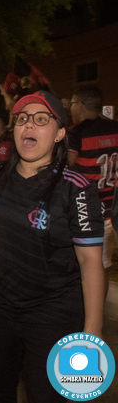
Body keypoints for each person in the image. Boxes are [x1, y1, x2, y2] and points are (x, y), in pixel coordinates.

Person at [0, 91, 105, 403]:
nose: (29, 125)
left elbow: (90, 262)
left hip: (53, 315)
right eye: (22, 119)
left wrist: (93, 328)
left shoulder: (76, 188)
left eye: (41, 119)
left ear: (59, 133)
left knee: (45, 395)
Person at [67, 85, 118, 298]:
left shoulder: (77, 132)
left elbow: (66, 167)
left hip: (86, 212)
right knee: (102, 265)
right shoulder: (115, 128)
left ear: (80, 105)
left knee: (84, 266)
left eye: (71, 104)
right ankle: (99, 308)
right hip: (110, 211)